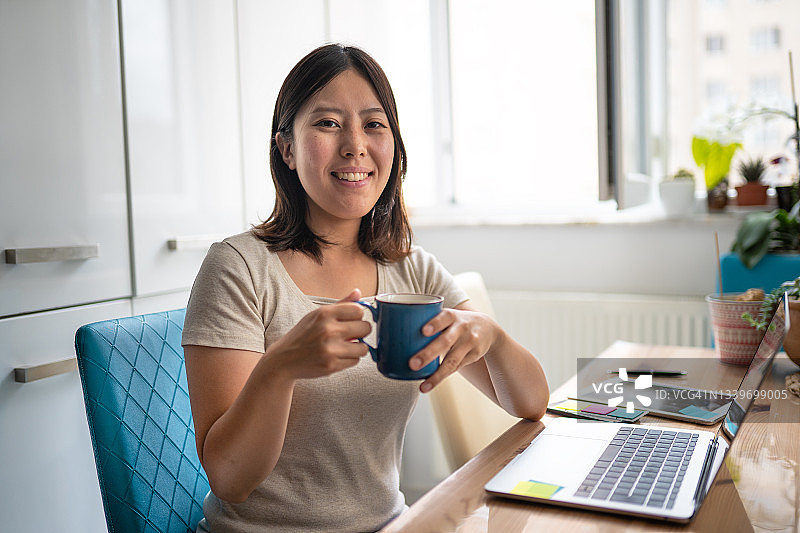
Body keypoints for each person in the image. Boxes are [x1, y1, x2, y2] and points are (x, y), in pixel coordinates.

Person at [181, 43, 549, 533]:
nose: (355, 145)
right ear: (286, 148)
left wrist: (492, 336)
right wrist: (280, 368)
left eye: (374, 124)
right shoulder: (239, 268)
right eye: (328, 123)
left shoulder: (413, 271)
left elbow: (530, 405)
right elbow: (231, 480)